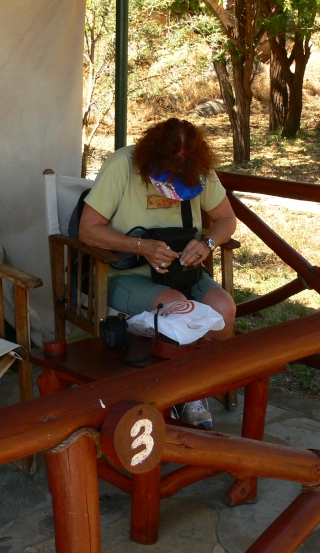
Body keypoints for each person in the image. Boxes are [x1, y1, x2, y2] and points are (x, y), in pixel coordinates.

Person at [79, 118, 237, 427]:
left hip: (183, 271)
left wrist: (207, 243)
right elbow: (88, 230)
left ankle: (201, 383)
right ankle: (179, 394)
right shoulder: (122, 165)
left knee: (224, 308)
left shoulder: (198, 167)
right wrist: (141, 247)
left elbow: (227, 219)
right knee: (177, 306)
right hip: (126, 274)